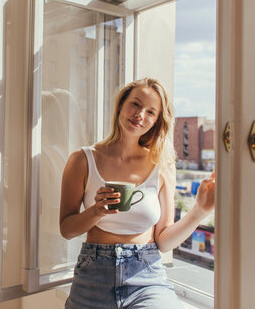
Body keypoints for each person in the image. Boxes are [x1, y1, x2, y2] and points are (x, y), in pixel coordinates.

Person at [60, 77, 215, 309]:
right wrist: (96, 211)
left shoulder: (162, 164)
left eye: (151, 112)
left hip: (147, 274)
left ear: (156, 121)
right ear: (121, 105)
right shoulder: (82, 160)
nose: (140, 114)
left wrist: (199, 211)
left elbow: (163, 242)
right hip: (94, 274)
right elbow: (67, 229)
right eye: (135, 104)